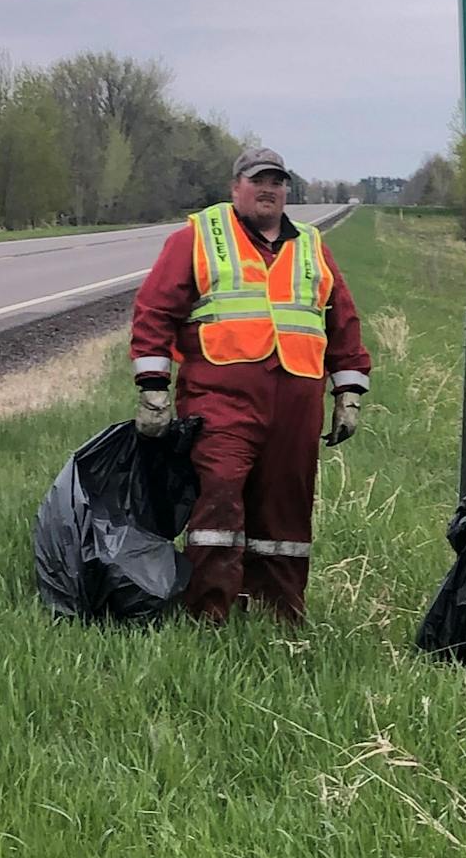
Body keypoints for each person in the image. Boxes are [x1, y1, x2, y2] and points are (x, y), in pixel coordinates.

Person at [129, 147, 371, 624]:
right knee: (218, 500)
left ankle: (277, 617)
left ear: (287, 190)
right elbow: (155, 309)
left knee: (286, 512)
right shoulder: (199, 237)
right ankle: (209, 615)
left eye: (278, 182)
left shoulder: (311, 246)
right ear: (235, 186)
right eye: (258, 180)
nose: (269, 189)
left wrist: (349, 393)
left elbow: (342, 321)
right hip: (220, 400)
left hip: (297, 405)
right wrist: (153, 387)